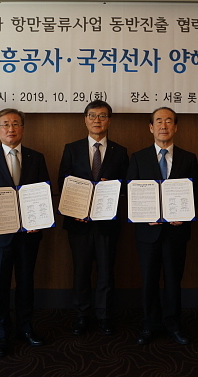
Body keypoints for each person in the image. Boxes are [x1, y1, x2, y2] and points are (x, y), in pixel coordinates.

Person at [0, 108, 50, 357]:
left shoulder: (37, 158)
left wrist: (41, 218)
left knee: (26, 283)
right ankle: (1, 334)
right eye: (5, 124)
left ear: (23, 128)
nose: (11, 128)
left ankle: (25, 328)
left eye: (15, 124)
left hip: (29, 233)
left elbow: (44, 192)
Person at [126, 106, 198, 345]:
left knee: (173, 280)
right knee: (148, 280)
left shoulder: (188, 158)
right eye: (158, 121)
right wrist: (142, 215)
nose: (163, 125)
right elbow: (130, 192)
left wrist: (186, 214)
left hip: (176, 231)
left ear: (175, 127)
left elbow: (197, 191)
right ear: (151, 127)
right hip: (147, 231)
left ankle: (173, 323)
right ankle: (149, 324)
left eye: (169, 121)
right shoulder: (138, 157)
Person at [58, 100, 129, 336]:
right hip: (78, 223)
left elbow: (128, 186)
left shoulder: (120, 151)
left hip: (107, 223)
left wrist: (114, 186)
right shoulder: (72, 148)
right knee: (81, 271)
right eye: (92, 115)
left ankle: (104, 315)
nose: (97, 120)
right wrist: (74, 210)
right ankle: (82, 315)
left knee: (106, 271)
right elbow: (63, 182)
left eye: (102, 116)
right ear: (85, 119)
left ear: (109, 120)